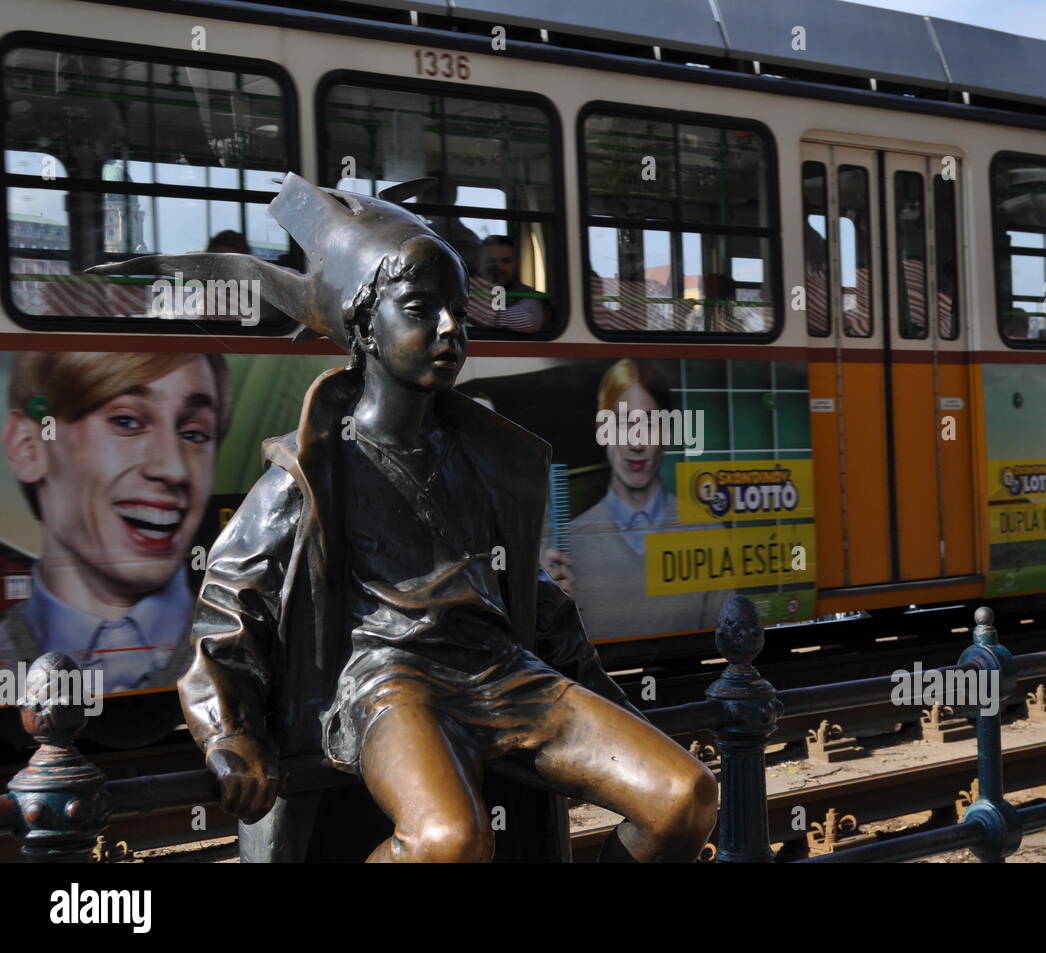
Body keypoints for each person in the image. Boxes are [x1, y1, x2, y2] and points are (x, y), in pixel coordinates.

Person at [90, 174, 716, 863]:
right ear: (364, 326)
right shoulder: (309, 472)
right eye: (422, 309)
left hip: (506, 673)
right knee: (450, 841)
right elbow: (226, 611)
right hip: (390, 685)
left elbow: (532, 599)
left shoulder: (484, 455)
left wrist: (610, 703)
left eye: (459, 311)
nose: (450, 329)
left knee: (685, 797)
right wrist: (227, 732)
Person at [0, 352, 229, 694]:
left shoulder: (242, 648)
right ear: (28, 447)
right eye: (126, 421)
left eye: (195, 434)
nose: (173, 469)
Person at [548, 359, 731, 639]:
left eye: (650, 425)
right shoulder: (565, 550)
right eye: (623, 424)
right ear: (602, 429)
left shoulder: (710, 536)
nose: (636, 444)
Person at [472, 235, 548, 333]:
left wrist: (473, 312)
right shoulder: (467, 289)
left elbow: (531, 319)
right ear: (478, 263)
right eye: (491, 261)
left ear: (516, 264)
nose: (498, 267)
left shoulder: (525, 293)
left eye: (506, 261)